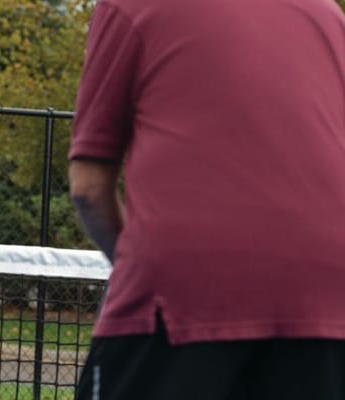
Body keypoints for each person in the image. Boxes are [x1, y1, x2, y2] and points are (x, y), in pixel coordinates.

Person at [67, 0, 345, 399]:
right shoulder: (328, 14)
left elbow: (88, 187)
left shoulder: (130, 6)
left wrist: (137, 268)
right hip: (330, 293)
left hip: (186, 286)